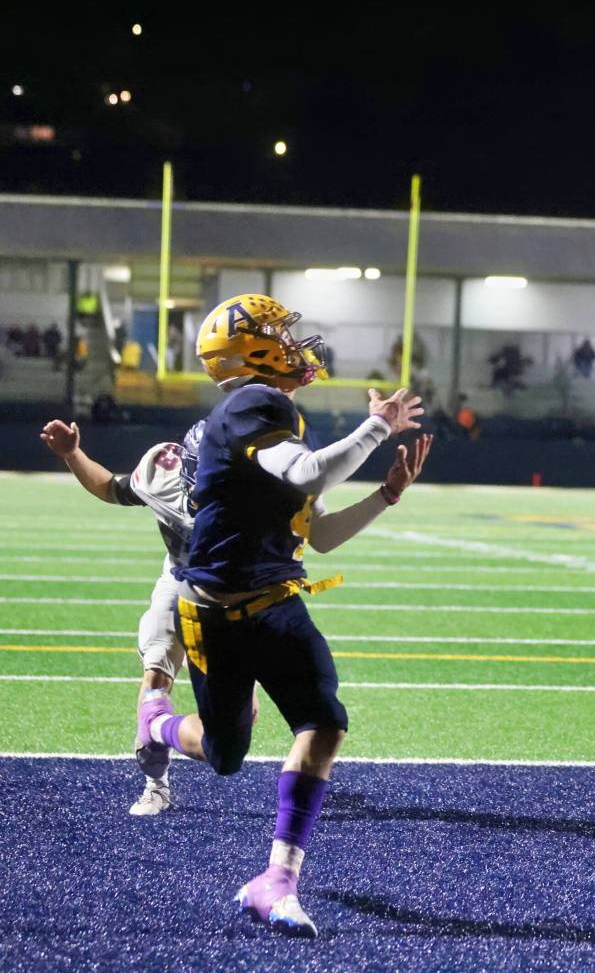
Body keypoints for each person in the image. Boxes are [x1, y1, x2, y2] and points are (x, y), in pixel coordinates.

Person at [136, 293, 430, 937]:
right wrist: (377, 427)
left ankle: (278, 879)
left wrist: (386, 495)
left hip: (278, 600)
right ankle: (156, 724)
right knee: (224, 754)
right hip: (216, 612)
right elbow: (305, 475)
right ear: (252, 351)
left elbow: (319, 537)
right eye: (279, 334)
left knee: (324, 720)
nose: (298, 345)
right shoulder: (252, 404)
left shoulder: (277, 414)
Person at [39, 417, 207, 815]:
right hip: (179, 576)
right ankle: (155, 783)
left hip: (236, 599)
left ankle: (166, 730)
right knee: (156, 670)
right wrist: (72, 454)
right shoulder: (162, 472)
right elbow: (111, 488)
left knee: (226, 741)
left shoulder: (256, 496)